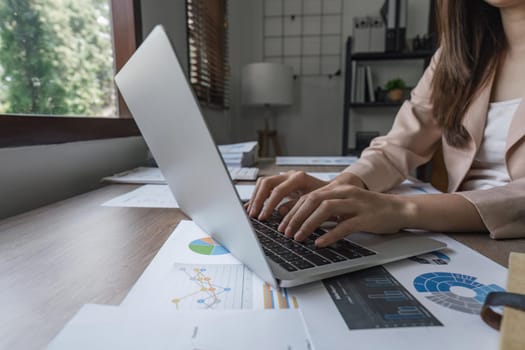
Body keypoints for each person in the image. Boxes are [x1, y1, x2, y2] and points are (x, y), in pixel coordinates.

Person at [247, 0, 525, 248]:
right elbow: (399, 144)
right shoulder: (457, 55)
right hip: (458, 238)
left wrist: (402, 210)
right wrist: (341, 187)